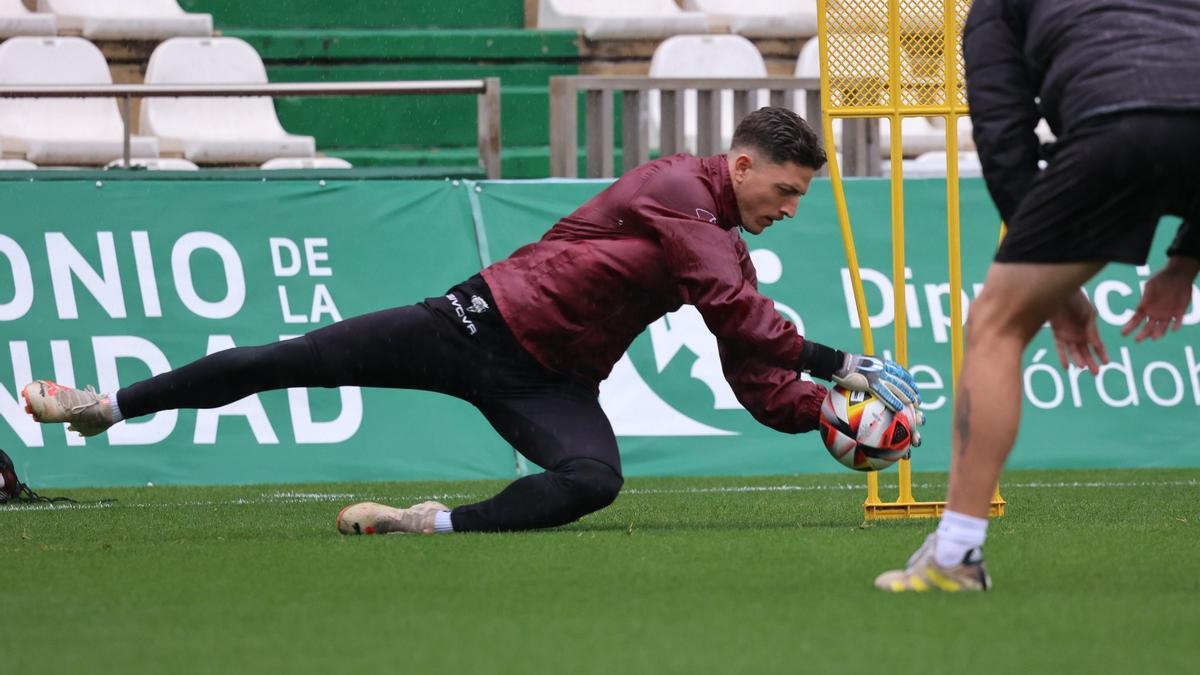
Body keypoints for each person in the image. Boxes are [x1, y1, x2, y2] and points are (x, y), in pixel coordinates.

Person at [22, 107, 923, 536]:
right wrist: (846, 363)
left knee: (591, 480)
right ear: (744, 162)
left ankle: (428, 523)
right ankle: (104, 405)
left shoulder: (723, 241)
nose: (794, 206)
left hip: (552, 381)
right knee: (289, 360)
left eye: (804, 196)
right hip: (474, 323)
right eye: (789, 189)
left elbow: (752, 366)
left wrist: (827, 416)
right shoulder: (680, 192)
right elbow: (745, 317)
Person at [875, 0, 1200, 592]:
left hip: (1116, 125)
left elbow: (1004, 140)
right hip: (1138, 115)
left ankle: (956, 553)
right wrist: (1184, 263)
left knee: (997, 324)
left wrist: (1056, 291)